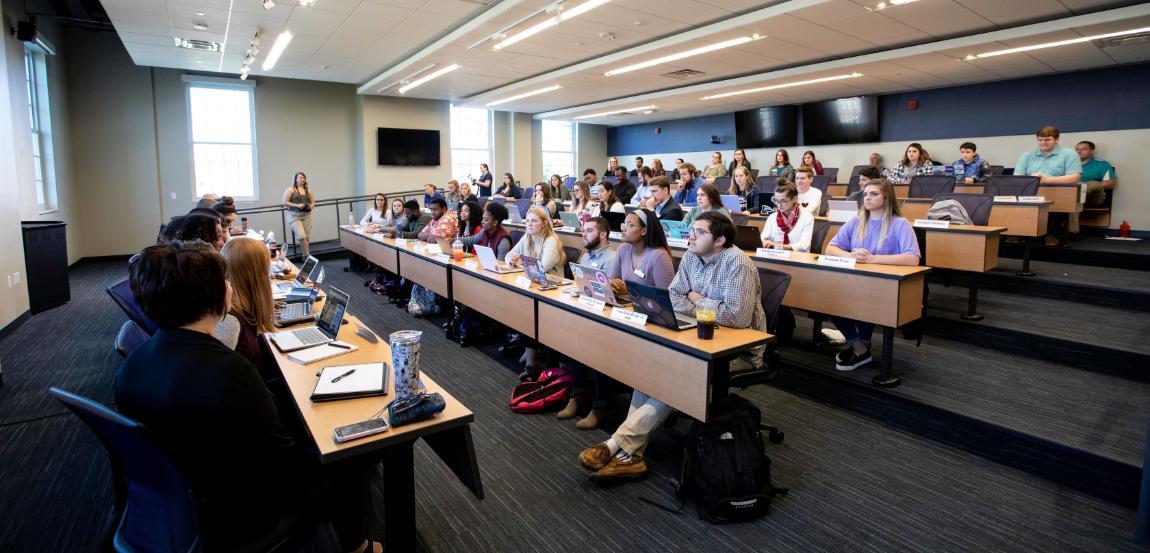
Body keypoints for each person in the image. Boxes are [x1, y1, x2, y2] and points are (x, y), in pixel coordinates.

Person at [117, 241, 375, 552]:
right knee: (353, 444)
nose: (230, 286)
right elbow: (284, 463)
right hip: (247, 509)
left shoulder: (135, 362)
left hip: (193, 493)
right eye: (225, 281)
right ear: (215, 295)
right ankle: (358, 546)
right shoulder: (229, 373)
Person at [579, 211, 765, 480]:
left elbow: (737, 317)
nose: (692, 235)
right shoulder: (692, 255)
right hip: (697, 333)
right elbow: (674, 297)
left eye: (700, 232)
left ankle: (617, 445)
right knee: (652, 369)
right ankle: (630, 453)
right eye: (693, 230)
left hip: (738, 349)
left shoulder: (738, 264)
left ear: (720, 240)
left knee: (676, 374)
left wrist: (697, 299)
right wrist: (700, 300)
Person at [825, 178, 920, 371]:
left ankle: (859, 348)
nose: (867, 198)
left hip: (881, 285)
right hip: (853, 280)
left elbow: (913, 258)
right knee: (827, 299)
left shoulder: (900, 224)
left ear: (886, 197)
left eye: (874, 194)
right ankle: (859, 345)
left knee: (867, 300)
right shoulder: (856, 221)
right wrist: (851, 255)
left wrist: (872, 259)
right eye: (866, 194)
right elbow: (831, 248)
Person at [506, 207, 567, 378]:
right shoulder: (528, 237)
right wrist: (514, 261)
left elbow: (543, 267)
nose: (529, 224)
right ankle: (531, 362)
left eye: (534, 221)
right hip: (533, 284)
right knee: (527, 315)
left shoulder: (551, 241)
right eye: (527, 220)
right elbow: (508, 255)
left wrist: (519, 263)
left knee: (533, 314)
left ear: (544, 223)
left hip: (553, 289)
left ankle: (542, 363)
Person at [215, 237, 276, 372]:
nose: (269, 276)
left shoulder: (239, 309)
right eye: (266, 269)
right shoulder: (230, 320)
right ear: (256, 274)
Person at [1015, 126, 1081, 245]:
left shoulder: (1069, 154)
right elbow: (1017, 176)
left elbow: (1075, 177)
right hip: (1031, 192)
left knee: (1054, 205)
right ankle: (1017, 233)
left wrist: (1047, 179)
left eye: (1047, 140)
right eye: (1040, 140)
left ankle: (1051, 235)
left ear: (1056, 139)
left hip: (1059, 192)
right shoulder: (1027, 155)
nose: (1043, 143)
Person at [760, 181, 813, 252]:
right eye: (776, 201)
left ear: (794, 199)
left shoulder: (807, 217)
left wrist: (780, 246)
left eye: (783, 201)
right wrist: (765, 242)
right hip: (775, 255)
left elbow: (803, 246)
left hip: (798, 258)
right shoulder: (772, 217)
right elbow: (763, 238)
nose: (779, 205)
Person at [283, 171, 315, 258]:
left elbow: (312, 203)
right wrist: (297, 205)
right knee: (301, 236)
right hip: (294, 216)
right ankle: (308, 256)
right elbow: (285, 202)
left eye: (303, 178)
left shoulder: (308, 190)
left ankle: (304, 256)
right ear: (295, 179)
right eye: (300, 177)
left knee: (306, 238)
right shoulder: (290, 189)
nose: (302, 179)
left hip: (306, 216)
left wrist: (310, 207)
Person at [1076, 140, 1117, 208]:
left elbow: (1110, 183)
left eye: (1083, 149)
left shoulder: (1102, 164)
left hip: (1093, 196)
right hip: (1072, 192)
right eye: (1077, 149)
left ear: (1092, 151)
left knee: (1093, 184)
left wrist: (1085, 186)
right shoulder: (1069, 164)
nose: (1079, 151)